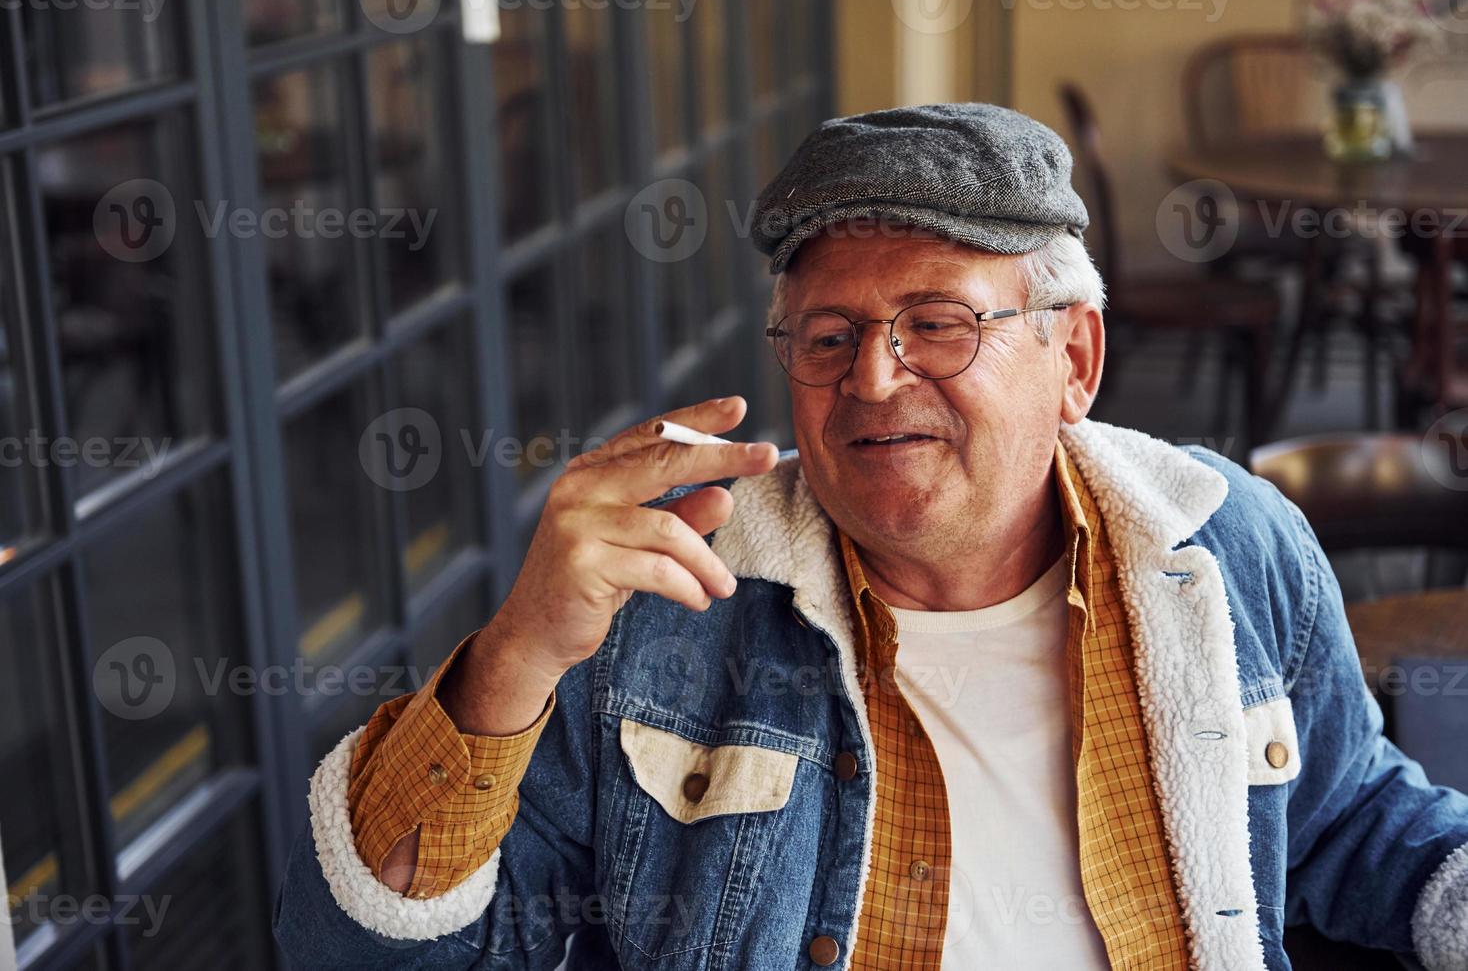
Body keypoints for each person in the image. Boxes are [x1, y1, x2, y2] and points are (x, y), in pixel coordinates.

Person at [275, 103, 1468, 970]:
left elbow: (1350, 819)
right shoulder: (665, 601)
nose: (874, 379)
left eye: (937, 324)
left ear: (1075, 361)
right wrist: (516, 655)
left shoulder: (1224, 544)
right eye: (828, 335)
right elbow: (362, 954)